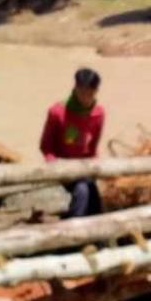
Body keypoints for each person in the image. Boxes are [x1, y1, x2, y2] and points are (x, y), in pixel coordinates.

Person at [40, 67, 105, 218]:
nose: (86, 98)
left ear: (96, 92)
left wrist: (94, 167)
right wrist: (54, 163)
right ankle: (74, 232)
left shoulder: (99, 114)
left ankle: (98, 237)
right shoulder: (57, 112)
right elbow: (46, 146)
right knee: (82, 190)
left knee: (94, 196)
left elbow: (93, 148)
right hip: (62, 166)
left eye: (90, 93)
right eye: (82, 92)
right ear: (75, 88)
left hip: (84, 167)